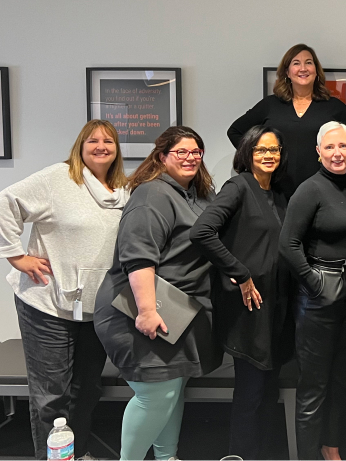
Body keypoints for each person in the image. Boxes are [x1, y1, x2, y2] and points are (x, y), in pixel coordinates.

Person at [0, 120, 128, 459]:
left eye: (109, 141)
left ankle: (78, 451)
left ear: (117, 149)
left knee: (86, 390)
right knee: (51, 393)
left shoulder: (122, 189)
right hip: (47, 305)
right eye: (93, 140)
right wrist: (16, 256)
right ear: (79, 145)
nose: (101, 146)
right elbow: (5, 202)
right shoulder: (57, 178)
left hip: (96, 308)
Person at [94, 126, 221, 461]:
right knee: (156, 394)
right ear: (162, 156)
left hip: (177, 312)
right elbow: (137, 256)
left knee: (172, 391)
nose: (190, 157)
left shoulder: (195, 195)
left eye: (196, 151)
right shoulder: (152, 194)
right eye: (181, 151)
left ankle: (166, 458)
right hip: (139, 309)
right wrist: (147, 310)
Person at [190, 125, 294, 460]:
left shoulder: (278, 195)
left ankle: (261, 454)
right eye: (262, 150)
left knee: (268, 390)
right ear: (248, 153)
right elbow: (202, 232)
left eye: (274, 150)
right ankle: (240, 455)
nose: (269, 156)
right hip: (247, 307)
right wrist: (240, 273)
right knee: (250, 391)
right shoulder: (239, 186)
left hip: (276, 306)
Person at [279, 121, 346, 460]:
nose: (338, 153)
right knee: (314, 386)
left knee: (340, 381)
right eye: (330, 147)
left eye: (344, 147)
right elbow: (288, 244)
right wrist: (315, 283)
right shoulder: (309, 190)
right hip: (318, 300)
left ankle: (330, 448)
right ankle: (306, 456)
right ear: (319, 151)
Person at [228, 43, 346, 197]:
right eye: (296, 63)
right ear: (287, 72)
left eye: (308, 62)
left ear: (316, 71)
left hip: (322, 192)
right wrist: (257, 162)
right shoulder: (270, 104)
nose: (303, 68)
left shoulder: (332, 106)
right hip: (274, 192)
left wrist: (341, 168)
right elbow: (235, 131)